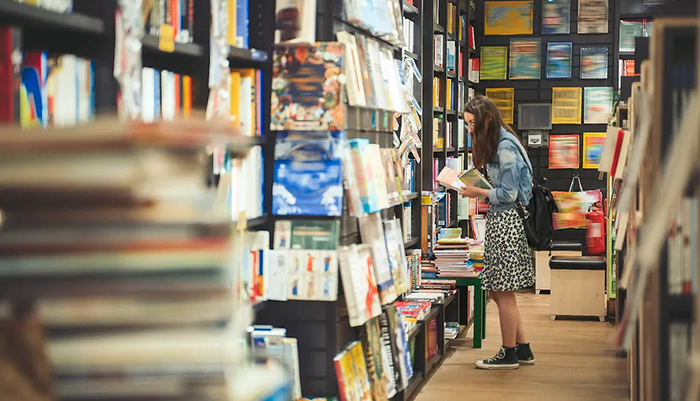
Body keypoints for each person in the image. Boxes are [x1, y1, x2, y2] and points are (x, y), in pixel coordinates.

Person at [460, 96, 535, 370]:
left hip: (506, 225)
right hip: (500, 222)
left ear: (487, 119)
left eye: (472, 124)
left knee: (502, 292)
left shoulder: (505, 148)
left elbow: (507, 194)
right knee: (500, 291)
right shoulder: (499, 142)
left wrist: (476, 191)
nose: (469, 129)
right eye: (467, 124)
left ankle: (509, 353)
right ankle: (523, 348)